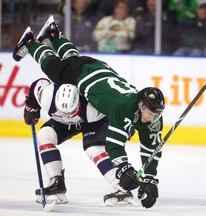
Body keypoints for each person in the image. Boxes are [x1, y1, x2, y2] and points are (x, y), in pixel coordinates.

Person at [13, 15, 166, 208]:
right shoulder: (122, 106)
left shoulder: (149, 114)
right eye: (150, 113)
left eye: (156, 114)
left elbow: (150, 148)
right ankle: (31, 43)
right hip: (82, 74)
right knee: (52, 67)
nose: (152, 118)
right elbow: (114, 145)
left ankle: (54, 36)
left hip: (98, 72)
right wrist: (31, 106)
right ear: (140, 105)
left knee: (72, 60)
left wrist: (150, 179)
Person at [24, 78, 137, 206]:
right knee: (44, 135)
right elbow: (37, 85)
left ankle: (121, 187)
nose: (69, 116)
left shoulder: (93, 108)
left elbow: (117, 104)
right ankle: (56, 182)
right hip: (63, 121)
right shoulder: (46, 96)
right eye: (64, 112)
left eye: (71, 112)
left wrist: (125, 124)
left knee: (94, 149)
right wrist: (31, 106)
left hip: (94, 121)